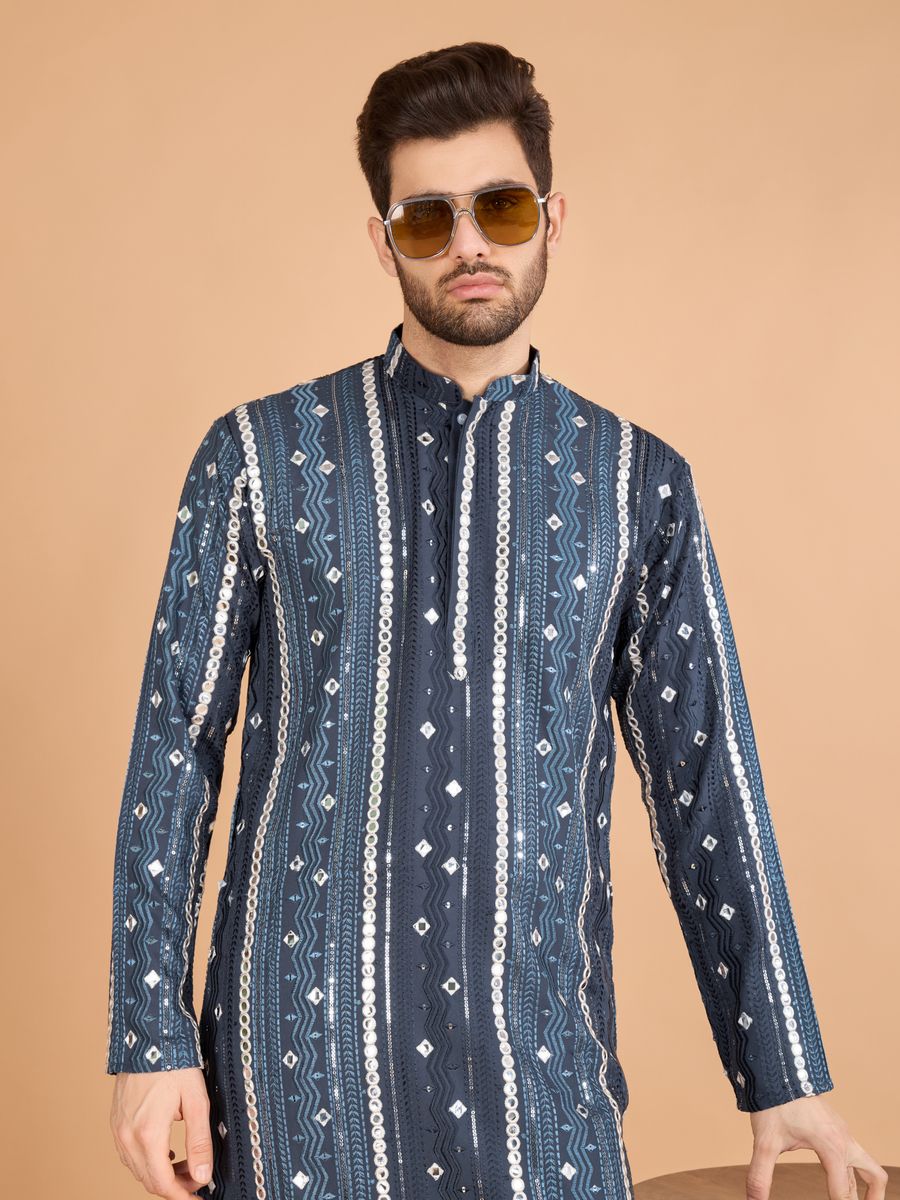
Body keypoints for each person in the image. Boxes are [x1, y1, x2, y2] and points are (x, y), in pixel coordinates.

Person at [106, 39, 885, 1200]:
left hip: (541, 1081)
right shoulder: (261, 457)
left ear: (551, 220)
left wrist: (783, 1073)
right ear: (383, 240)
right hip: (296, 1082)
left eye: (501, 207)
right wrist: (149, 1038)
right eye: (428, 218)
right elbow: (176, 744)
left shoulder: (637, 485)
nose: (468, 243)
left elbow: (705, 783)